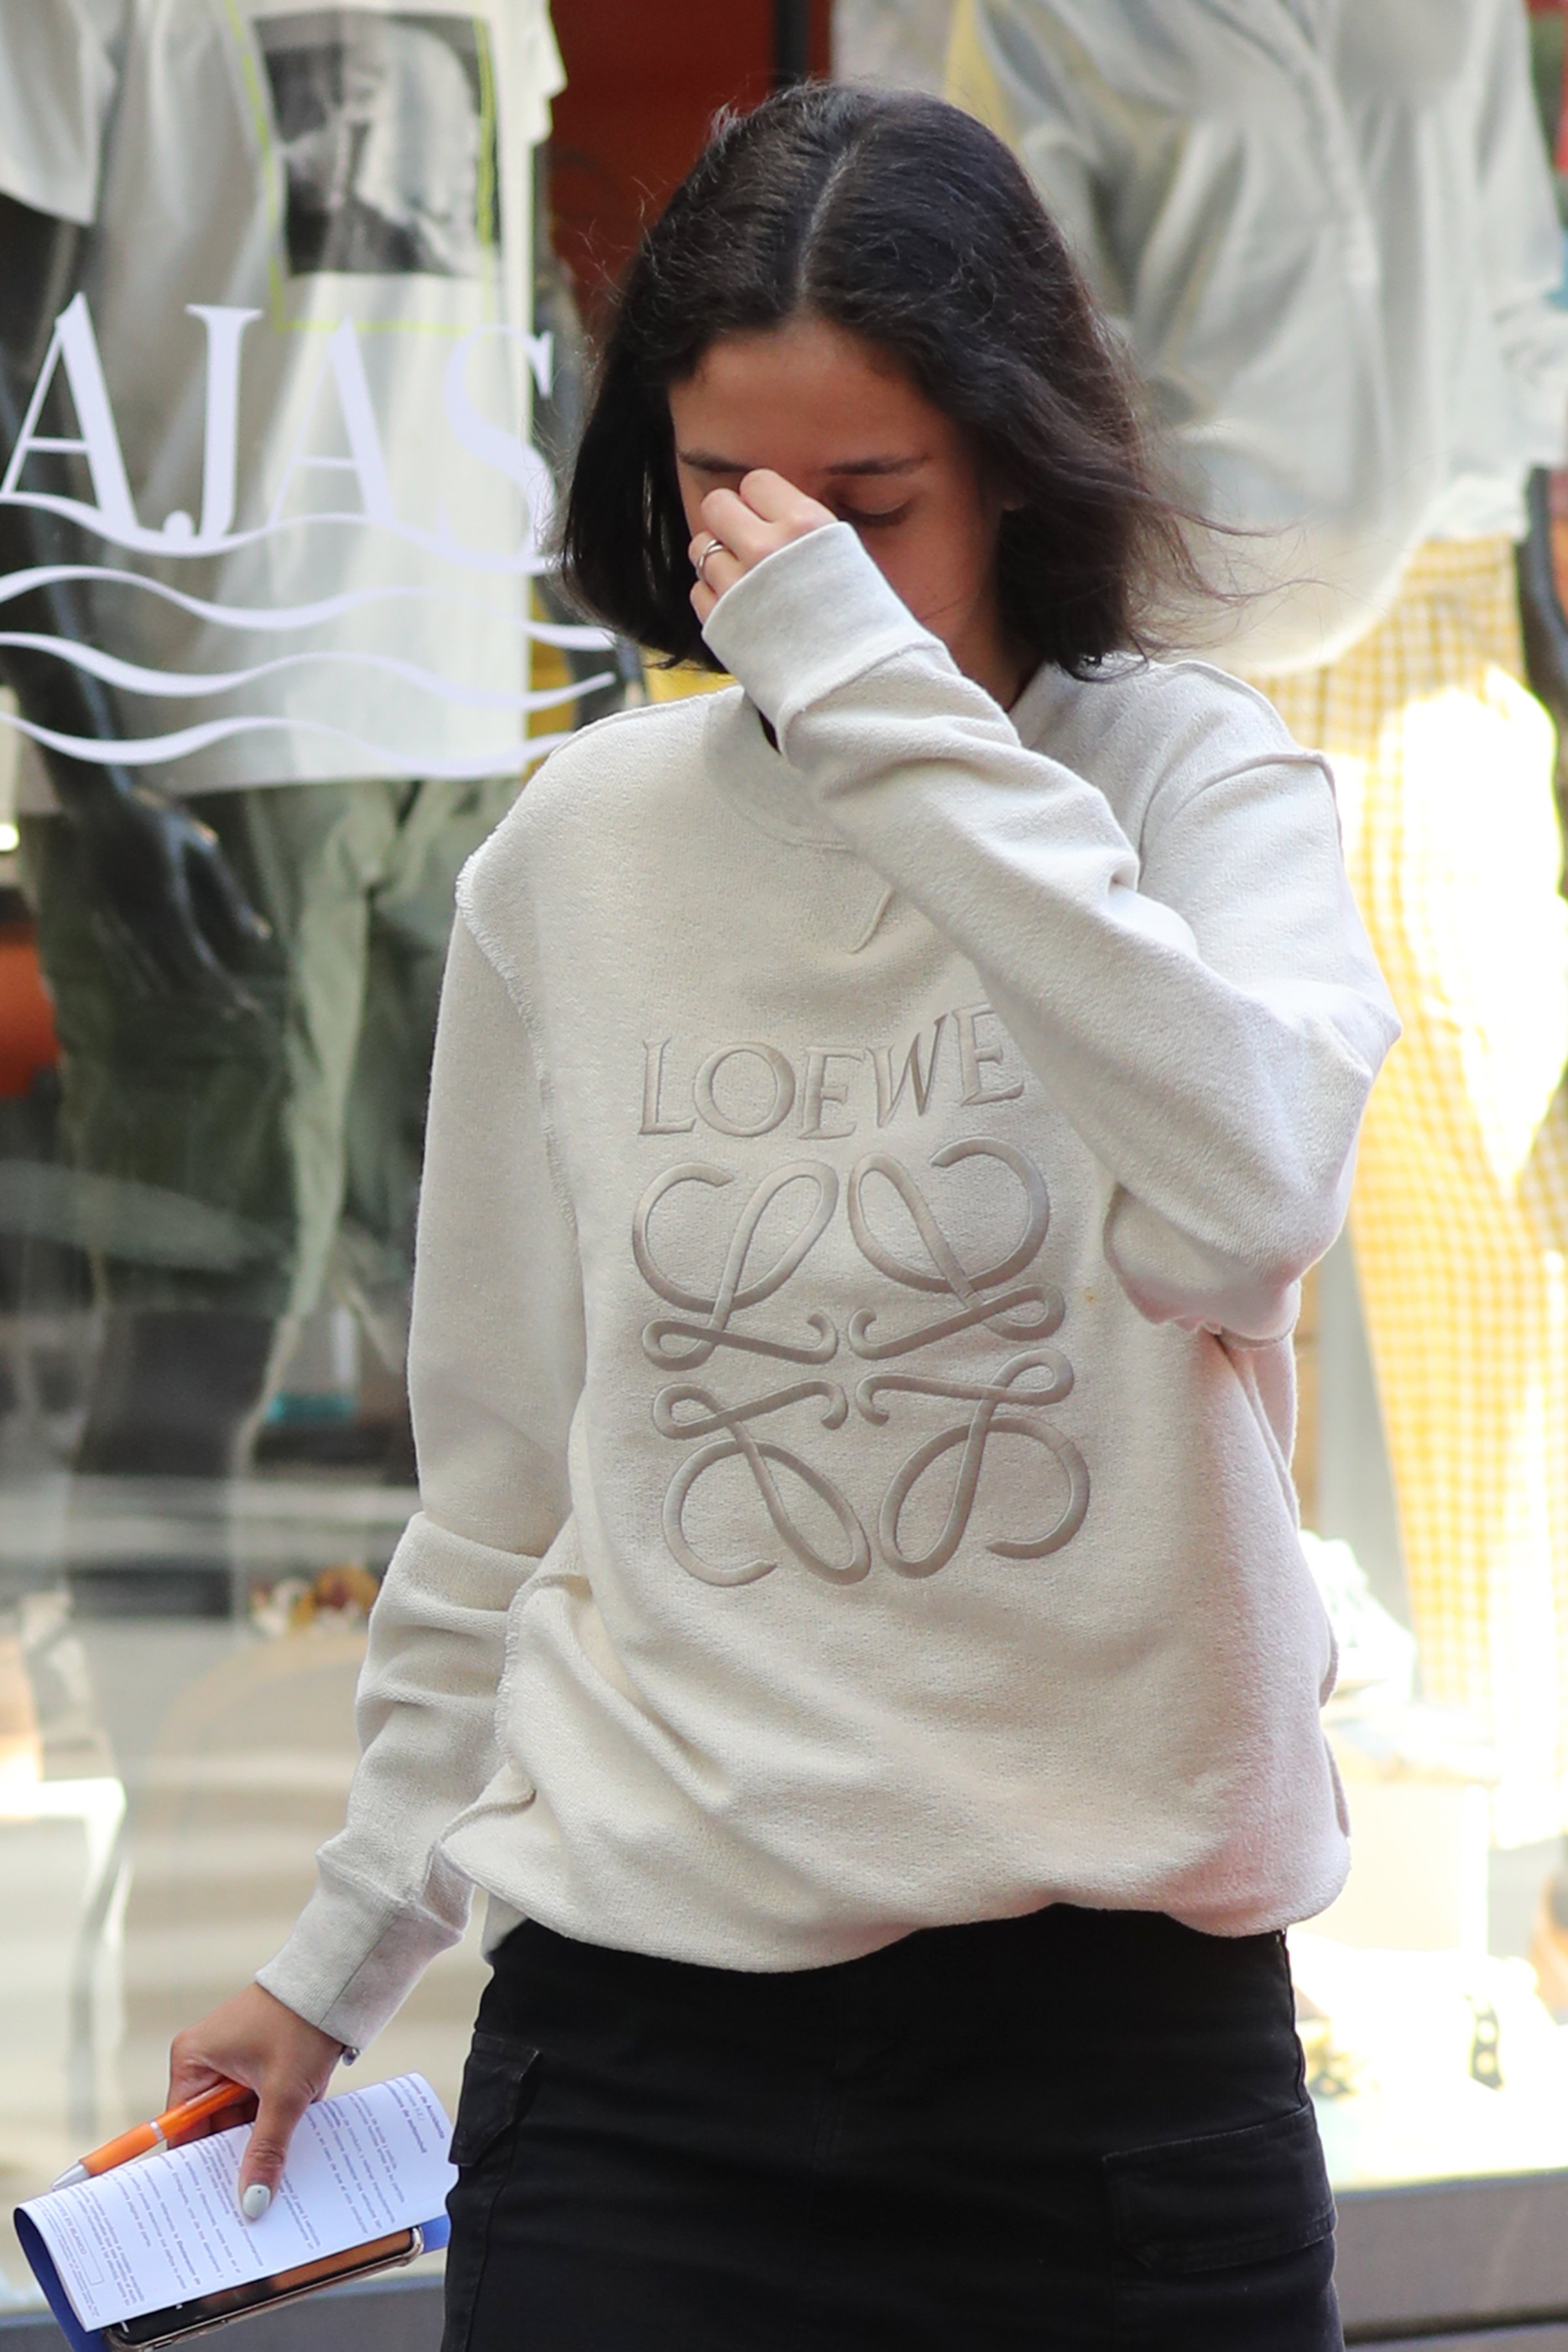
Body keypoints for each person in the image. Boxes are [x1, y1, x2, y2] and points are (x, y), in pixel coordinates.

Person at [165, 86, 1396, 2350]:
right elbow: (503, 1498)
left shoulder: (1189, 783)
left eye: (865, 507)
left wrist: (876, 711)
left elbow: (1241, 1204)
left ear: (1013, 461)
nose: (783, 572)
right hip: (645, 2072)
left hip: (1113, 2074)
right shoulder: (580, 850)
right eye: (730, 497)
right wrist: (337, 1961)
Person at [946, 0, 1568, 1938]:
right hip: (1193, 606)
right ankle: (1215, 1755)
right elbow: (1035, 322)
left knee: (1484, 1126)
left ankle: (1518, 1766)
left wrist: (1539, 481)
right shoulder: (1046, 13)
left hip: (1444, 586)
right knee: (1182, 1182)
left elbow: (1509, 251)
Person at [0, 0, 591, 1535]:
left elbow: (534, 309)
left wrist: (597, 645)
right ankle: (169, 1698)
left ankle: (463, 1701)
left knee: (490, 1348)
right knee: (201, 1345)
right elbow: (5, 364)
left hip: (460, 716)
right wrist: (99, 763)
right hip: (213, 725)